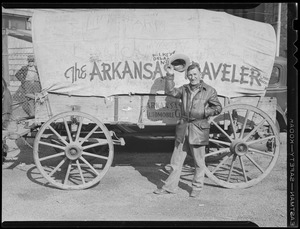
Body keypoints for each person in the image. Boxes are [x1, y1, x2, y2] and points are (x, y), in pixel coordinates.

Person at [154, 61, 222, 198]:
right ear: (187, 76)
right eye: (190, 75)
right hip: (183, 128)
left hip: (198, 128)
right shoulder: (184, 89)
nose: (192, 77)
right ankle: (170, 187)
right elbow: (170, 91)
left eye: (195, 74)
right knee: (176, 161)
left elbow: (218, 108)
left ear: (200, 74)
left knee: (199, 161)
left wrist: (204, 111)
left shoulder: (209, 90)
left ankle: (197, 187)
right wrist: (170, 75)